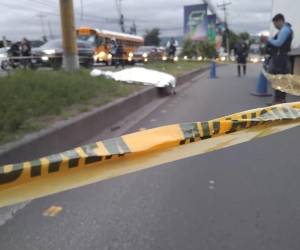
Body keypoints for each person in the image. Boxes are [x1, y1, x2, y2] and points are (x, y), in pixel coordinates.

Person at [265, 13, 293, 104]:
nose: (275, 26)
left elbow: (278, 43)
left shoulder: (285, 30)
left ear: (279, 21)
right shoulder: (285, 29)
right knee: (278, 79)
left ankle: (279, 101)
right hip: (280, 57)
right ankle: (278, 101)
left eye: (275, 24)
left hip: (281, 58)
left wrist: (269, 40)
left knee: (279, 79)